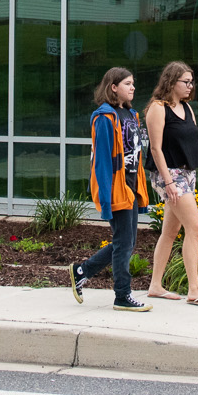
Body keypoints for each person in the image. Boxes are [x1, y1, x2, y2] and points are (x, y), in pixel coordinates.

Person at [144, 60, 198, 305]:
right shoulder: (158, 108)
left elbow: (196, 145)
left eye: (192, 82)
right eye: (186, 82)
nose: (190, 86)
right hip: (168, 175)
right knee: (195, 228)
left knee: (170, 232)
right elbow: (155, 148)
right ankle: (194, 289)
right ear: (171, 82)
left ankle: (155, 285)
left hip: (186, 174)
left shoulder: (187, 109)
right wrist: (169, 182)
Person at [71, 67, 152, 311]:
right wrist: (105, 200)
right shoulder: (105, 118)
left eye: (133, 83)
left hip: (130, 187)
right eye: (127, 83)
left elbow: (135, 156)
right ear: (113, 87)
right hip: (116, 189)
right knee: (124, 242)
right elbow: (103, 161)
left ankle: (82, 270)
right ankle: (122, 296)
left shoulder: (130, 115)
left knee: (126, 241)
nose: (133, 87)